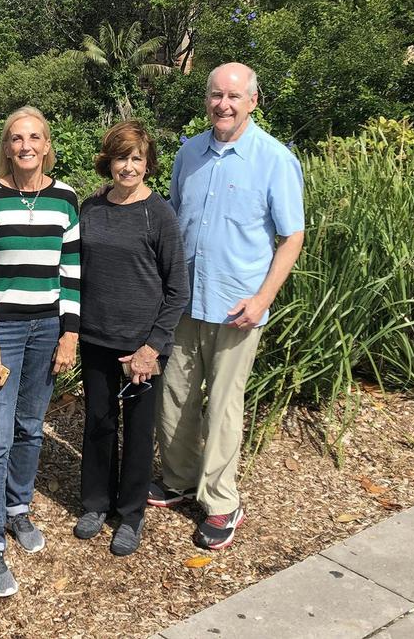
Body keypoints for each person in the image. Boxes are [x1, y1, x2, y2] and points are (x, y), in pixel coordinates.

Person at [152, 63, 304, 551]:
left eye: (234, 97)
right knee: (173, 397)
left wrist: (263, 299)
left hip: (238, 306)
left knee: (223, 405)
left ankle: (221, 503)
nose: (224, 104)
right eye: (216, 95)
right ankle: (178, 478)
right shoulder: (189, 153)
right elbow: (173, 221)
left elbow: (292, 236)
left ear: (253, 101)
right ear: (207, 100)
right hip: (184, 303)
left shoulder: (274, 159)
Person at [0, 105, 80, 597]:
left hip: (48, 326)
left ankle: (18, 509)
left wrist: (70, 333)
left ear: (46, 143)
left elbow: (72, 272)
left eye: (34, 136)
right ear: (7, 145)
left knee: (31, 427)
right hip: (5, 330)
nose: (25, 145)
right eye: (16, 138)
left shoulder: (66, 199)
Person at [74, 121, 189, 556]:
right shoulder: (91, 208)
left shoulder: (157, 213)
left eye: (136, 158)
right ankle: (96, 503)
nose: (128, 167)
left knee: (139, 432)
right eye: (121, 157)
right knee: (99, 424)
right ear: (109, 161)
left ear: (147, 164)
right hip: (96, 337)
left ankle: (132, 512)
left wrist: (152, 347)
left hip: (140, 347)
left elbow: (178, 287)